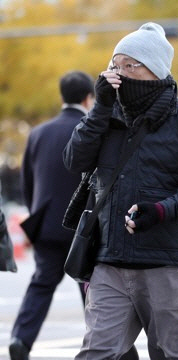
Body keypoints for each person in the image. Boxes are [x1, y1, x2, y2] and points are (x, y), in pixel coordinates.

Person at [63, 22, 178, 359]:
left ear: (154, 69)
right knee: (96, 350)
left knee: (173, 353)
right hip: (109, 257)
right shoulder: (107, 117)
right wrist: (99, 109)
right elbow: (73, 159)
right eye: (114, 64)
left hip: (166, 260)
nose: (118, 72)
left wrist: (162, 210)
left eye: (129, 64)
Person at [9, 71, 95, 360]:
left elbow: (27, 183)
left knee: (42, 284)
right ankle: (110, 345)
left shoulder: (38, 133)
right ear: (88, 98)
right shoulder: (90, 130)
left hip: (46, 224)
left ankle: (21, 339)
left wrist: (36, 213)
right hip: (83, 225)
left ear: (62, 97)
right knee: (92, 289)